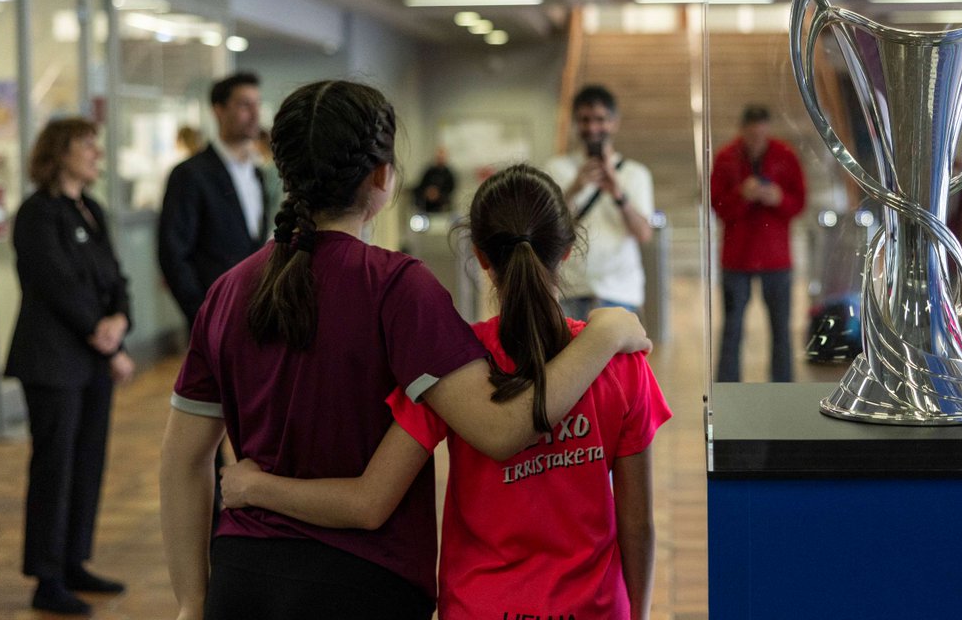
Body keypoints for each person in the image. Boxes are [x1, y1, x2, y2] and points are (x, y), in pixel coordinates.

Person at [159, 81, 651, 620]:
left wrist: (191, 602)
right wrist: (604, 335)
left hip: (243, 578)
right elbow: (501, 429)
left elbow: (183, 461)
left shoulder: (228, 290)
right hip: (363, 582)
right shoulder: (396, 288)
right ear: (382, 176)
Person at [5, 117, 135, 616]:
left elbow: (114, 276)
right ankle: (46, 576)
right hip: (52, 363)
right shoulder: (37, 215)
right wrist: (105, 338)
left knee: (88, 465)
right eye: (86, 146)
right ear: (60, 153)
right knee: (54, 469)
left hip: (89, 363)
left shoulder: (92, 209)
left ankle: (73, 560)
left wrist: (122, 317)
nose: (96, 155)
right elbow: (58, 285)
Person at [158, 71, 267, 330]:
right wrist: (201, 313)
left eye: (257, 104)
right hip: (213, 314)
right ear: (218, 110)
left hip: (254, 312)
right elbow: (173, 252)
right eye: (244, 104)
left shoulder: (256, 173)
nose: (254, 113)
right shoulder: (191, 174)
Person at [711, 104, 807, 382]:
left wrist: (778, 198)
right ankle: (727, 388)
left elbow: (799, 202)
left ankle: (783, 387)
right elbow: (717, 206)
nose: (756, 141)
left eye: (761, 136)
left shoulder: (785, 155)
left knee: (781, 329)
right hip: (737, 256)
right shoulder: (727, 157)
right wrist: (742, 195)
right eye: (751, 136)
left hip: (775, 256)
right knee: (732, 329)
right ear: (743, 131)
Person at [545, 84, 654, 320]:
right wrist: (574, 188)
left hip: (620, 291)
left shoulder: (636, 174)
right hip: (569, 288)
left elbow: (644, 234)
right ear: (576, 123)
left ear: (614, 123)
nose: (593, 127)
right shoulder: (556, 168)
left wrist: (618, 193)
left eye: (600, 119)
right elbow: (545, 226)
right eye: (585, 120)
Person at [411, 146, 456, 213]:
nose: (440, 159)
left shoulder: (449, 174)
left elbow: (451, 189)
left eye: (442, 157)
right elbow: (421, 186)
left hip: (442, 206)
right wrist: (428, 192)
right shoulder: (429, 172)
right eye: (438, 157)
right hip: (427, 206)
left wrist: (438, 194)